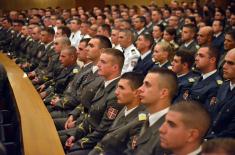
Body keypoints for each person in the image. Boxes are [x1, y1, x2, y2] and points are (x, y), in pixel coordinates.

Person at [65, 48, 125, 155]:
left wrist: (79, 143)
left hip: (95, 142)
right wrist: (75, 134)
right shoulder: (103, 83)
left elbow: (103, 129)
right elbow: (89, 116)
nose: (98, 65)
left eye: (103, 62)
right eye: (99, 61)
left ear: (115, 67)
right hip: (84, 130)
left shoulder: (116, 94)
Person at [89, 72, 146, 155]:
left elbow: (129, 152)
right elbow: (107, 137)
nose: (116, 92)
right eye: (117, 87)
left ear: (137, 93)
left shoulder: (140, 120)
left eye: (122, 88)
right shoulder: (124, 108)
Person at [125, 68, 178, 155]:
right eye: (142, 84)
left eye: (147, 85)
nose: (140, 89)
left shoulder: (170, 131)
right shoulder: (145, 116)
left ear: (163, 93)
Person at [207, 48, 235, 138]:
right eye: (225, 62)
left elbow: (231, 132)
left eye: (230, 63)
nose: (224, 66)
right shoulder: (224, 86)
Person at [184, 46, 223, 112]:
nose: (196, 58)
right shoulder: (197, 78)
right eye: (197, 55)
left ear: (212, 60)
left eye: (201, 56)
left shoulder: (216, 85)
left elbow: (206, 113)